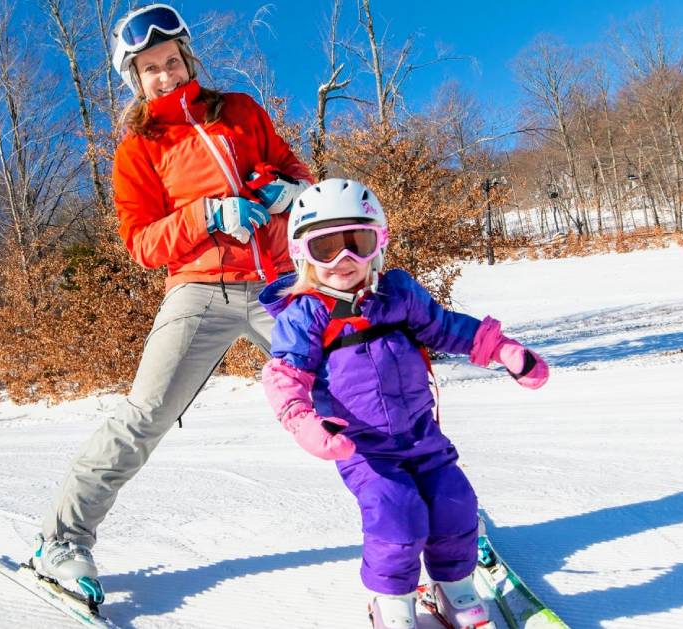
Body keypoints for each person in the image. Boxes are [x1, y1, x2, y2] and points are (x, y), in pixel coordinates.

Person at [33, 3, 314, 594]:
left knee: (352, 384)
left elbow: (296, 171)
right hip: (199, 291)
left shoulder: (238, 110)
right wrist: (208, 214)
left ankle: (429, 515)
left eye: (171, 61)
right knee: (145, 414)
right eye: (151, 69)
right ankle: (61, 542)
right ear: (134, 80)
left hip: (279, 286)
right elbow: (141, 243)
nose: (166, 75)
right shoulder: (139, 148)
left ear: (188, 57)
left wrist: (288, 190)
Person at [258, 179, 550, 629]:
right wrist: (305, 424)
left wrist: (503, 350)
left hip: (422, 435)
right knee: (398, 515)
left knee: (454, 503)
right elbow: (285, 377)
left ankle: (454, 588)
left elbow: (447, 327)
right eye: (326, 248)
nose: (343, 261)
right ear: (302, 254)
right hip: (364, 448)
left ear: (379, 243)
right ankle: (390, 601)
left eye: (358, 242)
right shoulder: (305, 314)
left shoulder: (397, 295)